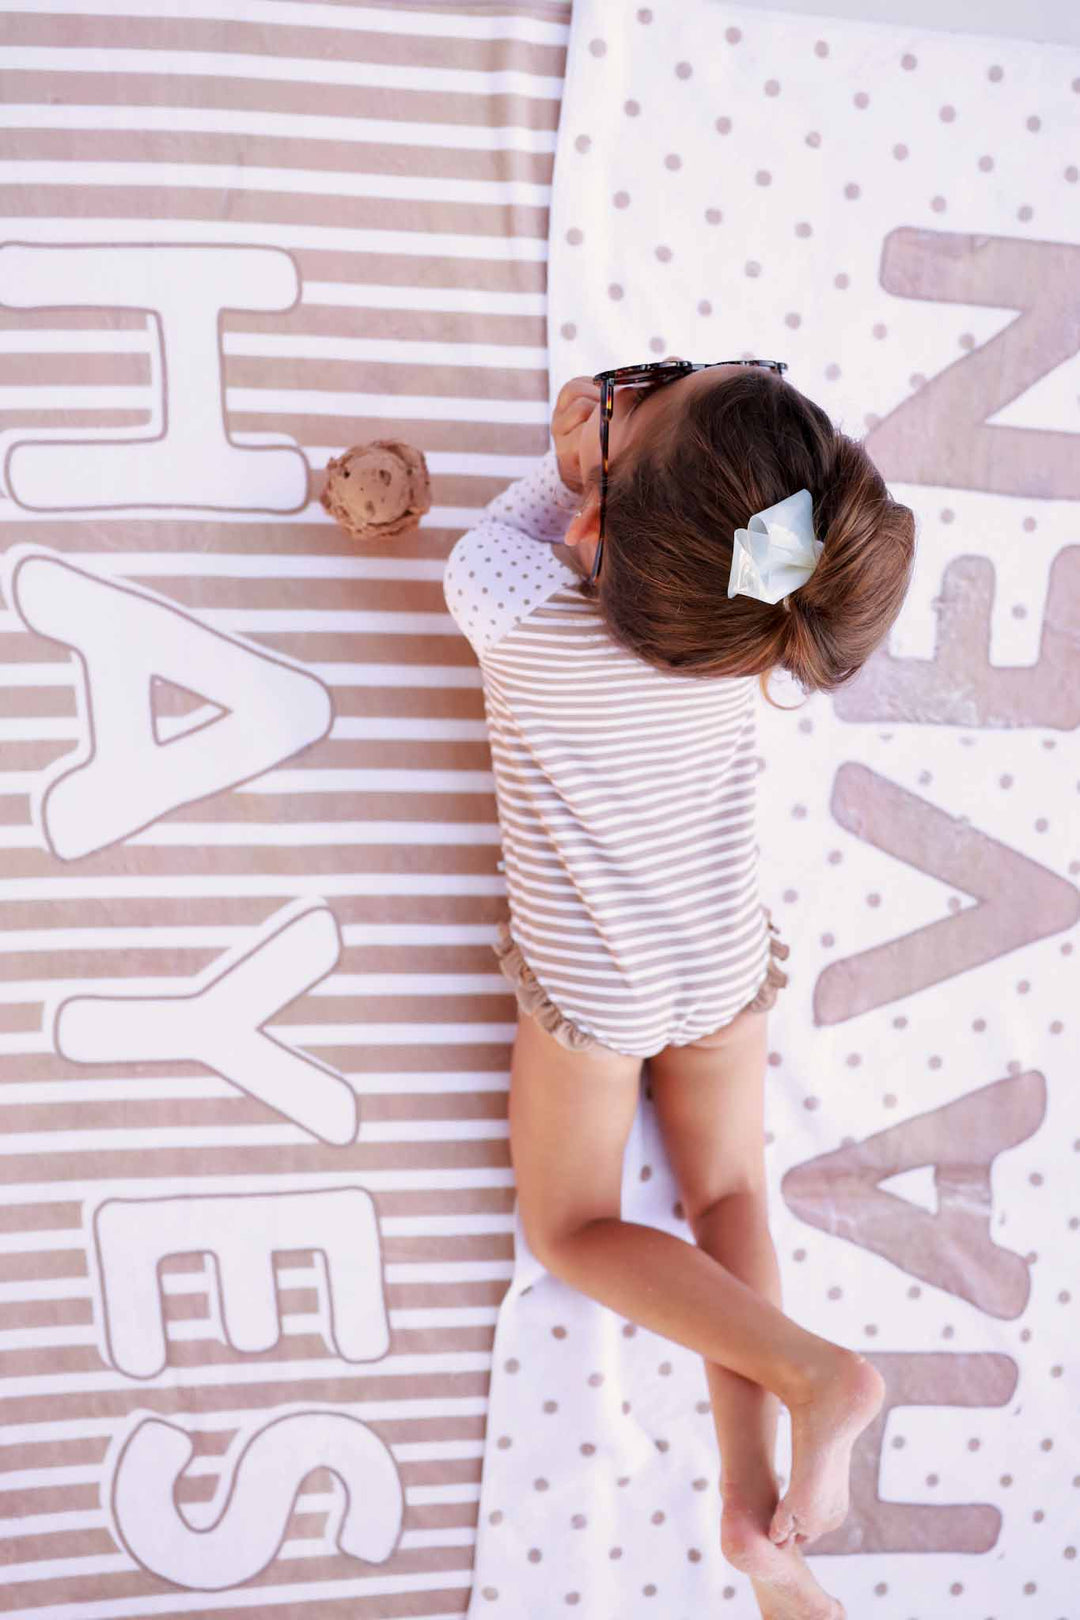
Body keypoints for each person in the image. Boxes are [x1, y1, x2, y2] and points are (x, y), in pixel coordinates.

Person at [442, 357, 916, 1620]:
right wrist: (623, 443)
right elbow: (675, 525)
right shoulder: (747, 639)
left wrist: (568, 459)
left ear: (597, 518)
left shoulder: (516, 607)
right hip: (718, 963)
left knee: (571, 1231)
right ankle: (758, 1515)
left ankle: (819, 1377)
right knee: (727, 1193)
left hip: (597, 987)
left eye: (636, 390)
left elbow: (515, 527)